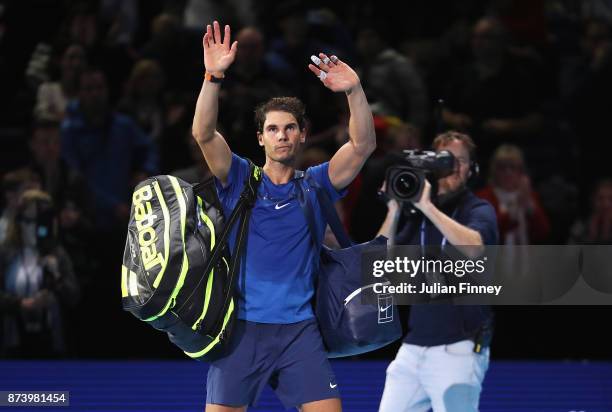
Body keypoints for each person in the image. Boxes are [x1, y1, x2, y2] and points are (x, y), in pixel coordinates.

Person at [192, 20, 376, 412]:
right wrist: (212, 76)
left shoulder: (317, 184)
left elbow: (361, 146)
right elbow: (204, 134)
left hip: (300, 334)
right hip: (241, 331)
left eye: (289, 128)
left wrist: (355, 90)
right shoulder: (239, 177)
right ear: (261, 137)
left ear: (302, 135)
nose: (281, 135)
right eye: (273, 129)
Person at [377, 131, 498, 412]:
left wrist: (427, 206)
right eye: (445, 159)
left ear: (472, 169)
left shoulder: (478, 209)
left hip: (459, 347)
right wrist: (395, 209)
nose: (454, 166)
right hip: (414, 346)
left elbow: (474, 249)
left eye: (461, 160)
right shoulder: (415, 213)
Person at [0, 189, 80, 358]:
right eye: (29, 221)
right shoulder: (6, 253)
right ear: (19, 222)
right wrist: (19, 304)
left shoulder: (57, 253)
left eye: (41, 222)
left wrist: (57, 276)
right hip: (12, 343)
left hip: (51, 343)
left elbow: (73, 296)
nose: (35, 228)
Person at [476, 144, 550, 245]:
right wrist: (512, 211)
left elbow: (543, 232)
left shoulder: (530, 195)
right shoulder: (484, 197)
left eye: (513, 167)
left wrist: (529, 205)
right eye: (502, 167)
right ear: (494, 171)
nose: (508, 172)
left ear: (521, 171)